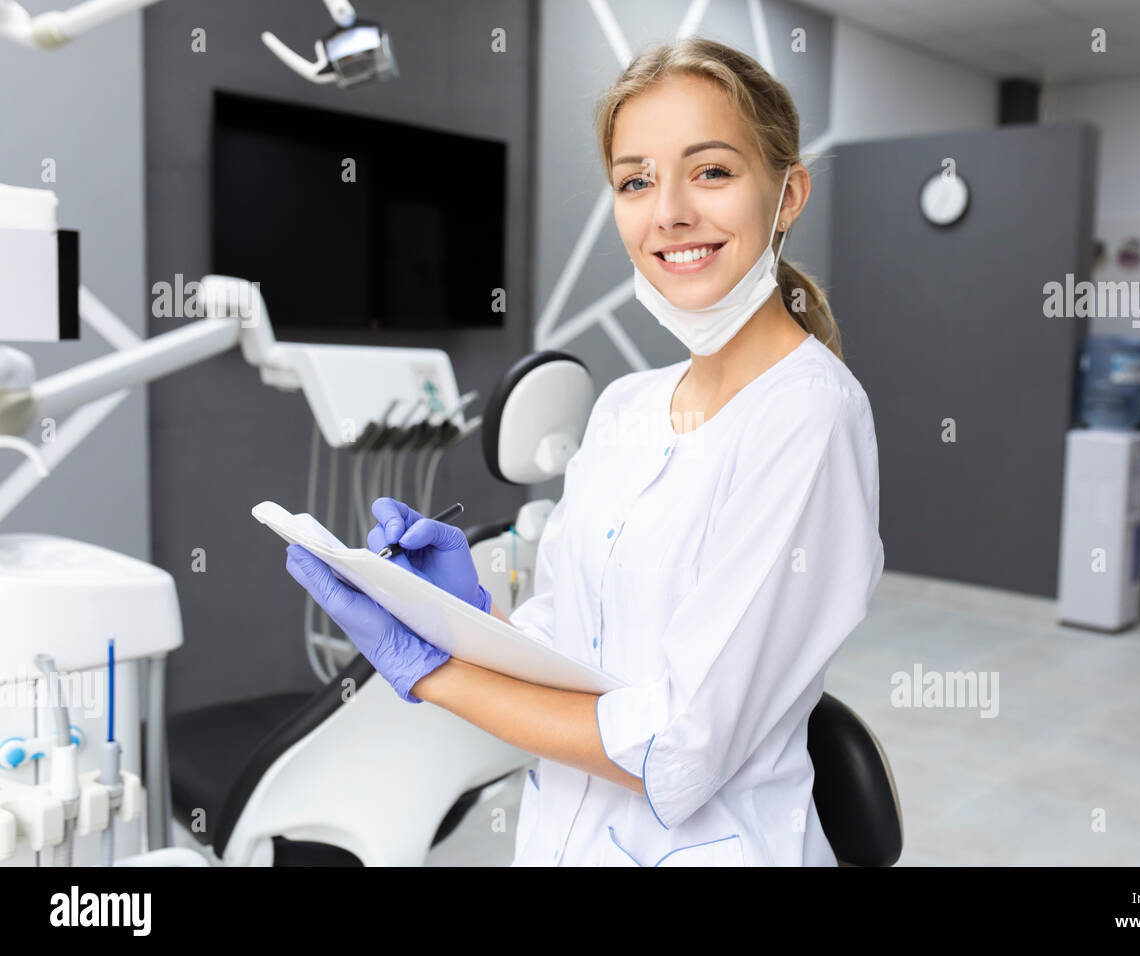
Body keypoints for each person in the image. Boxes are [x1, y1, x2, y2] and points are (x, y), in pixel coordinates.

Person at [285, 36, 884, 867]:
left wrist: (430, 673)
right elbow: (574, 654)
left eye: (710, 171)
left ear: (788, 195)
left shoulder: (808, 417)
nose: (668, 211)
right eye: (636, 181)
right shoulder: (624, 407)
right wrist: (464, 617)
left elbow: (676, 749)